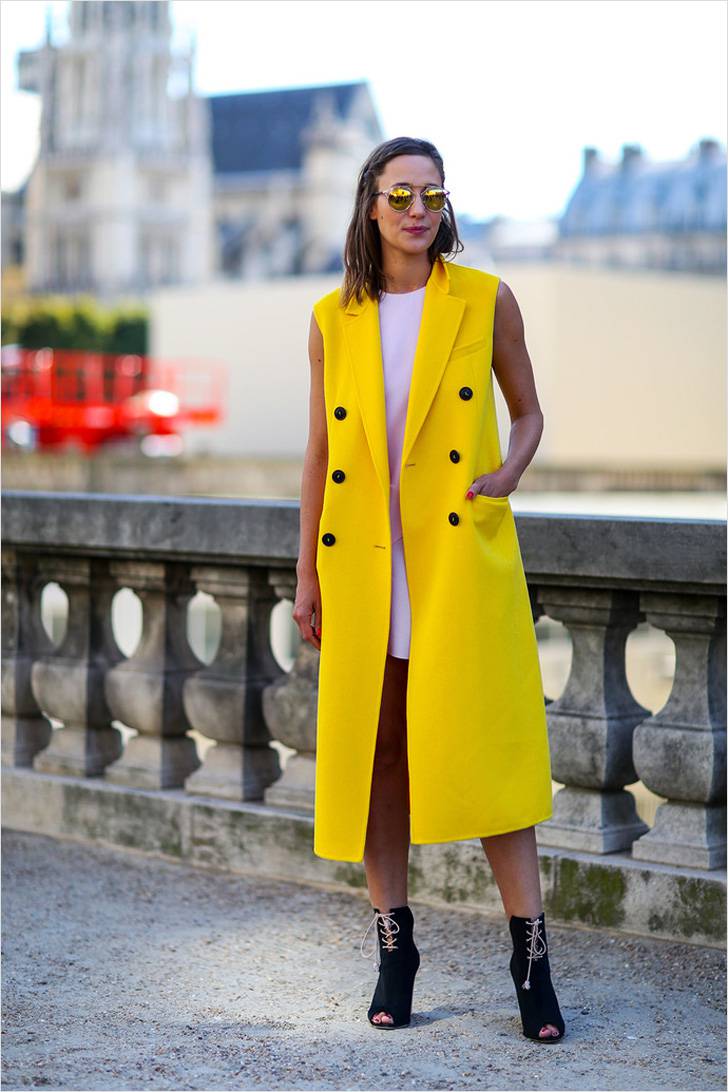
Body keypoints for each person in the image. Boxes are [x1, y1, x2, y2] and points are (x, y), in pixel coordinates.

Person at [294, 136, 565, 1040]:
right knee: (379, 757)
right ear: (370, 206)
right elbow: (320, 454)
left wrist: (509, 474)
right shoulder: (332, 317)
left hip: (455, 557)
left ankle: (532, 961)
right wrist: (305, 573)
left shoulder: (486, 298)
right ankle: (394, 950)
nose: (418, 209)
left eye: (433, 194)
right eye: (400, 194)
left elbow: (528, 412)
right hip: (366, 565)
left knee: (486, 755)